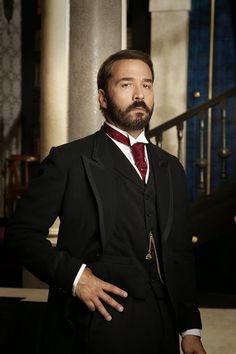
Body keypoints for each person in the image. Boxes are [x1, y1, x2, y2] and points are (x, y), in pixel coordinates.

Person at [5, 49, 206, 354]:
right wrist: (75, 276)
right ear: (102, 98)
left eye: (147, 85)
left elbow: (179, 253)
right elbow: (20, 236)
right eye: (126, 85)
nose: (139, 94)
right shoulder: (69, 160)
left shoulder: (171, 168)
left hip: (161, 327)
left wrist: (190, 329)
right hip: (95, 326)